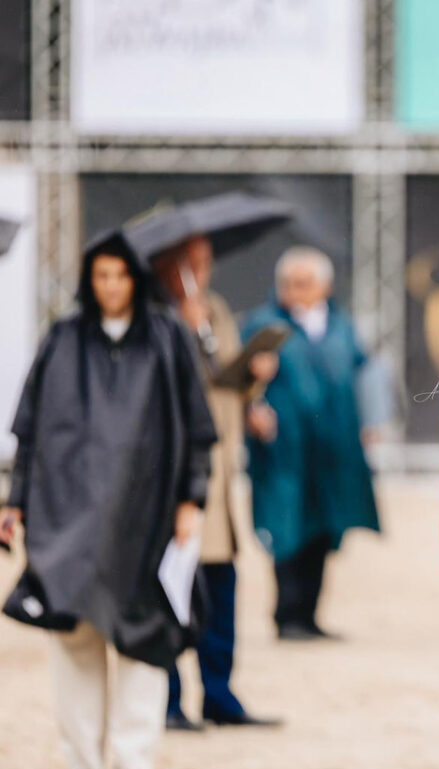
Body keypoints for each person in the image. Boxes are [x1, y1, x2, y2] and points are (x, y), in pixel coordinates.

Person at [0, 229, 215, 769]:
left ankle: (134, 762)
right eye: (101, 275)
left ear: (135, 279)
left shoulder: (167, 337)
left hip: (147, 513)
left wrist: (192, 499)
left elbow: (198, 429)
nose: (111, 286)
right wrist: (15, 502)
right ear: (88, 280)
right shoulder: (63, 338)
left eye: (120, 275)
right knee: (74, 639)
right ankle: (85, 765)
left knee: (145, 642)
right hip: (66, 512)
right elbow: (29, 430)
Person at [149, 234, 282, 730]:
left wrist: (254, 376)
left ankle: (219, 694)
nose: (200, 272)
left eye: (205, 262)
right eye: (190, 263)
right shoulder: (155, 316)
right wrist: (181, 333)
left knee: (221, 587)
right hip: (176, 473)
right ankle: (167, 698)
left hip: (222, 472)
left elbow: (222, 380)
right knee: (173, 586)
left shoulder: (218, 310)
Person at [242, 246, 380, 641]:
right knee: (287, 528)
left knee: (323, 529)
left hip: (332, 451)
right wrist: (253, 396)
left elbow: (365, 374)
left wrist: (370, 422)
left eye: (304, 283)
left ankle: (309, 616)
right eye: (288, 283)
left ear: (324, 286)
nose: (295, 291)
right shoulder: (262, 326)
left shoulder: (342, 327)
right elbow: (237, 382)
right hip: (284, 450)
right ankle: (287, 616)